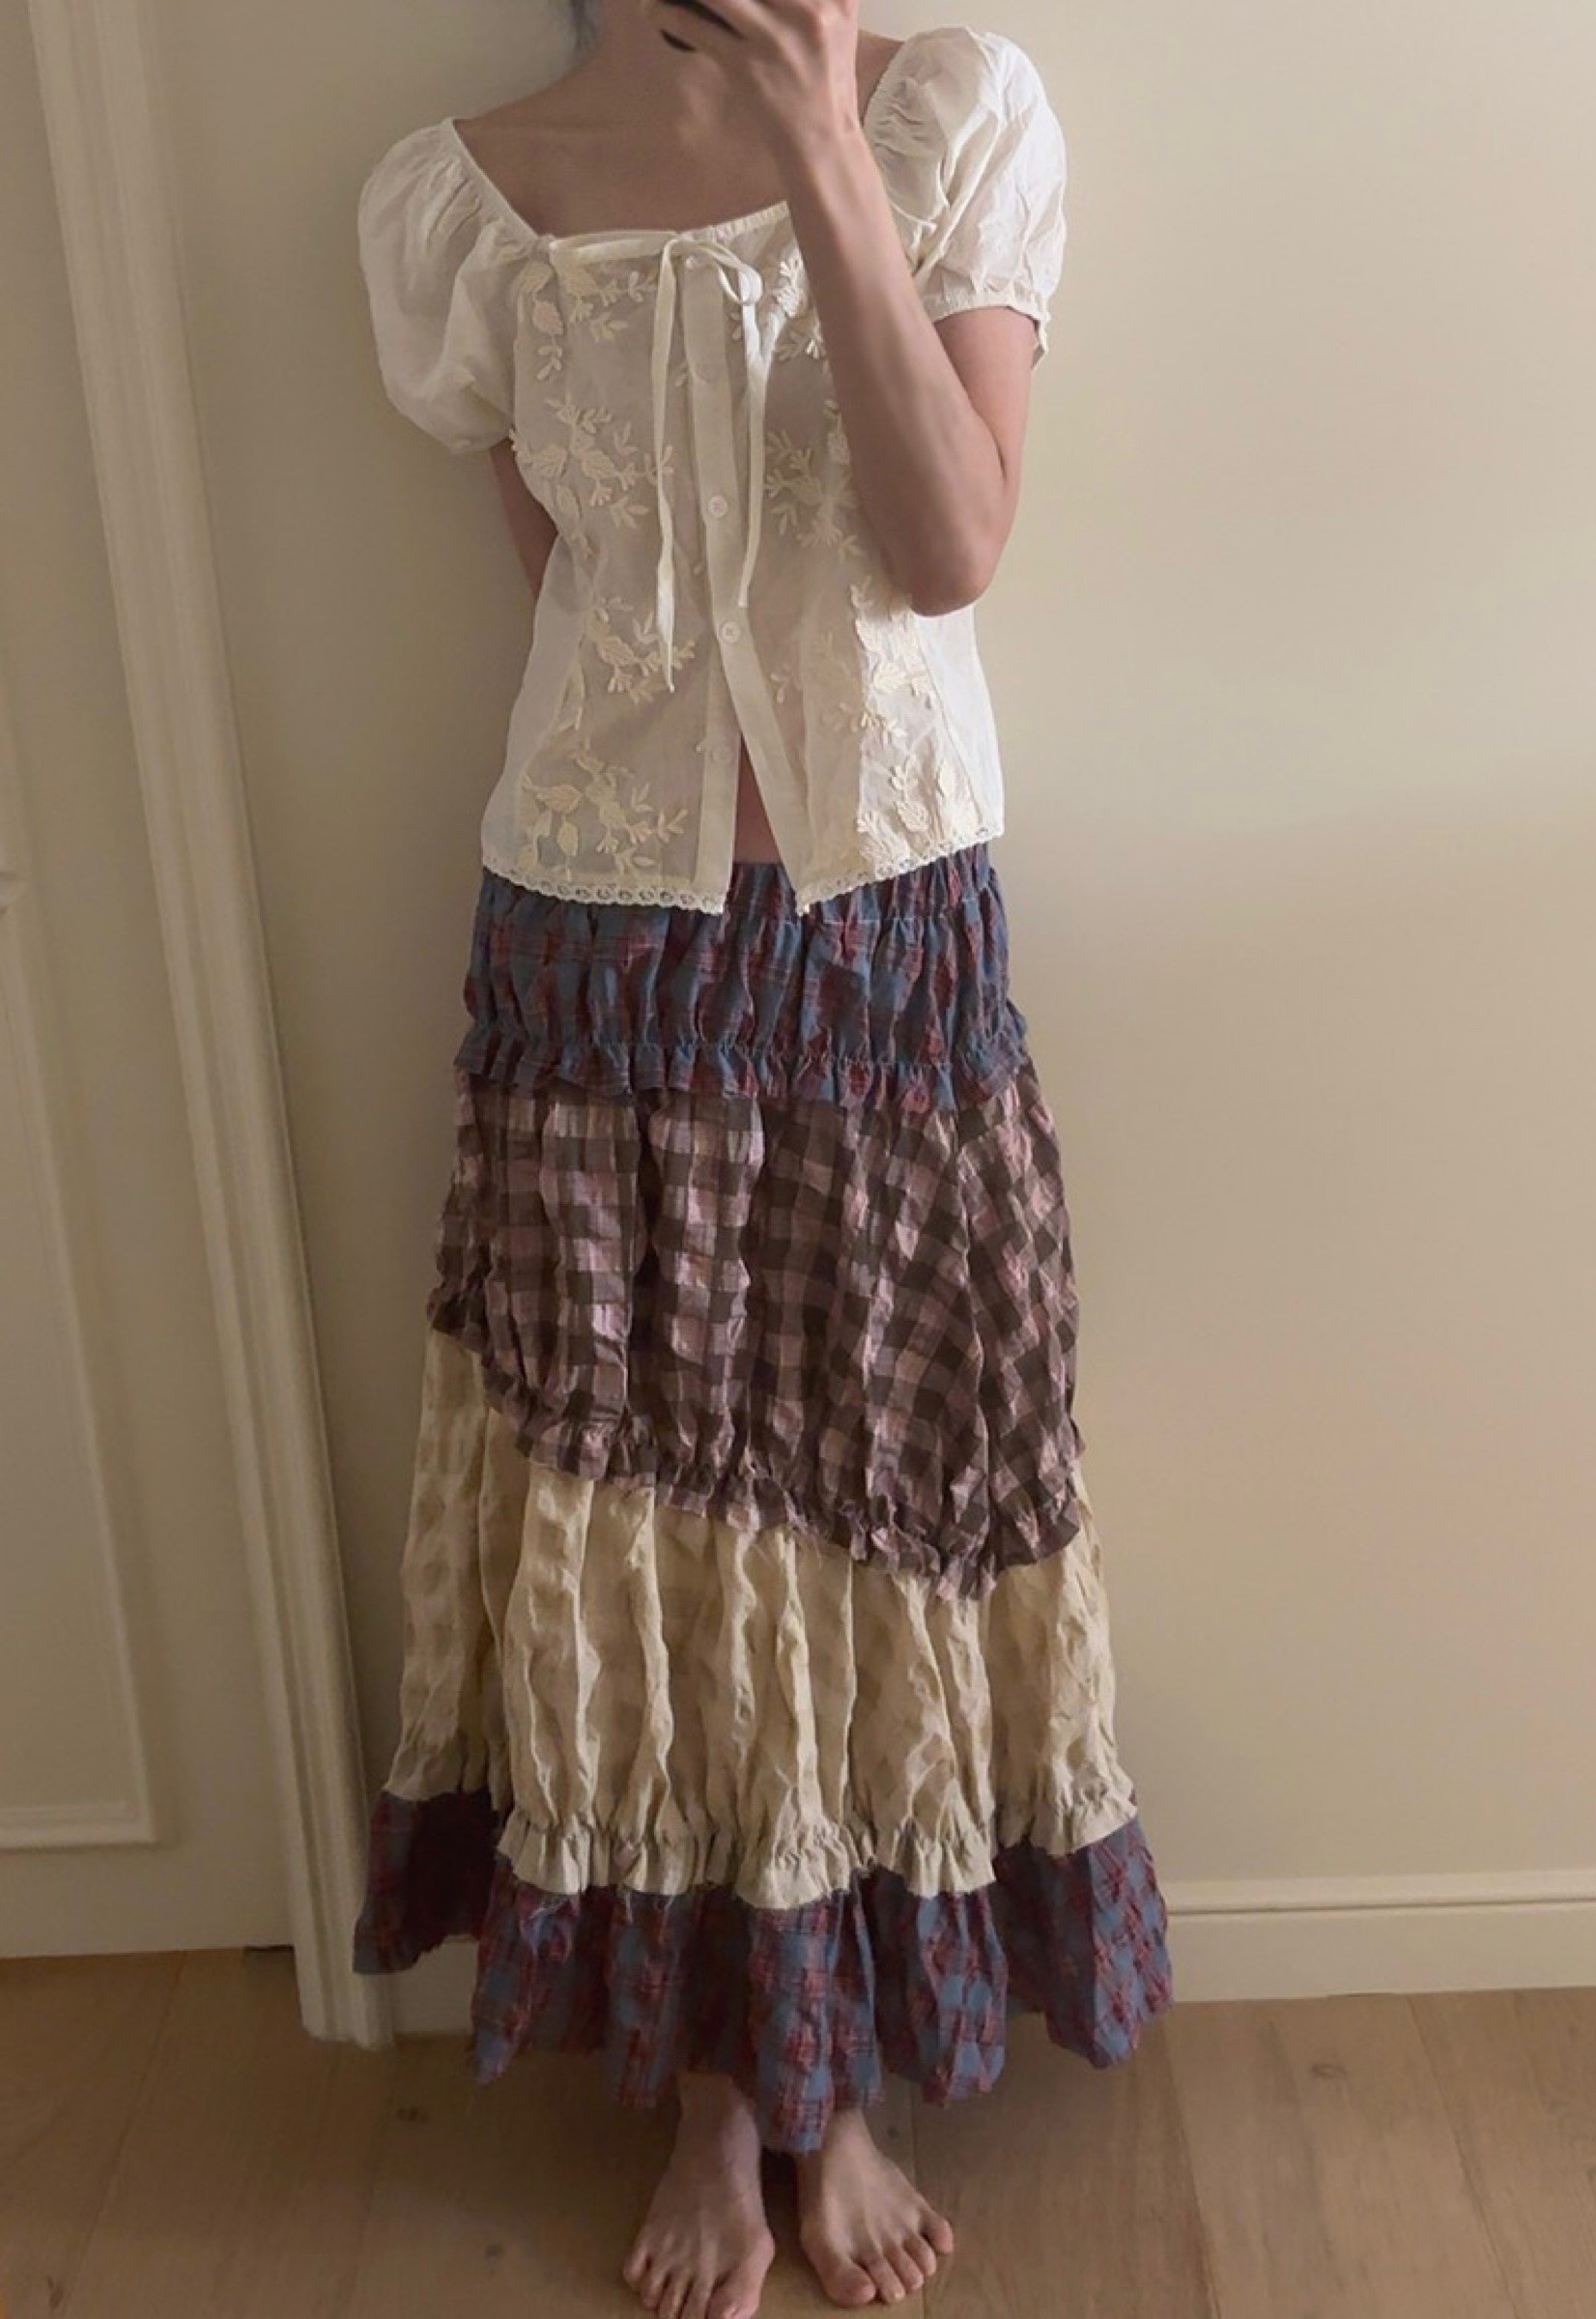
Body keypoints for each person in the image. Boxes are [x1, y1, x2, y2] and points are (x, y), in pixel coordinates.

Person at [349, 4, 1173, 2313]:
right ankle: (720, 2087)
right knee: (641, 1522)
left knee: (881, 1480)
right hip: (597, 950)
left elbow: (950, 543)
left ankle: (844, 2080)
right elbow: (578, 590)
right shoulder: (461, 199)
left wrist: (819, 152)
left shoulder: (950, 112)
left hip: (886, 931)